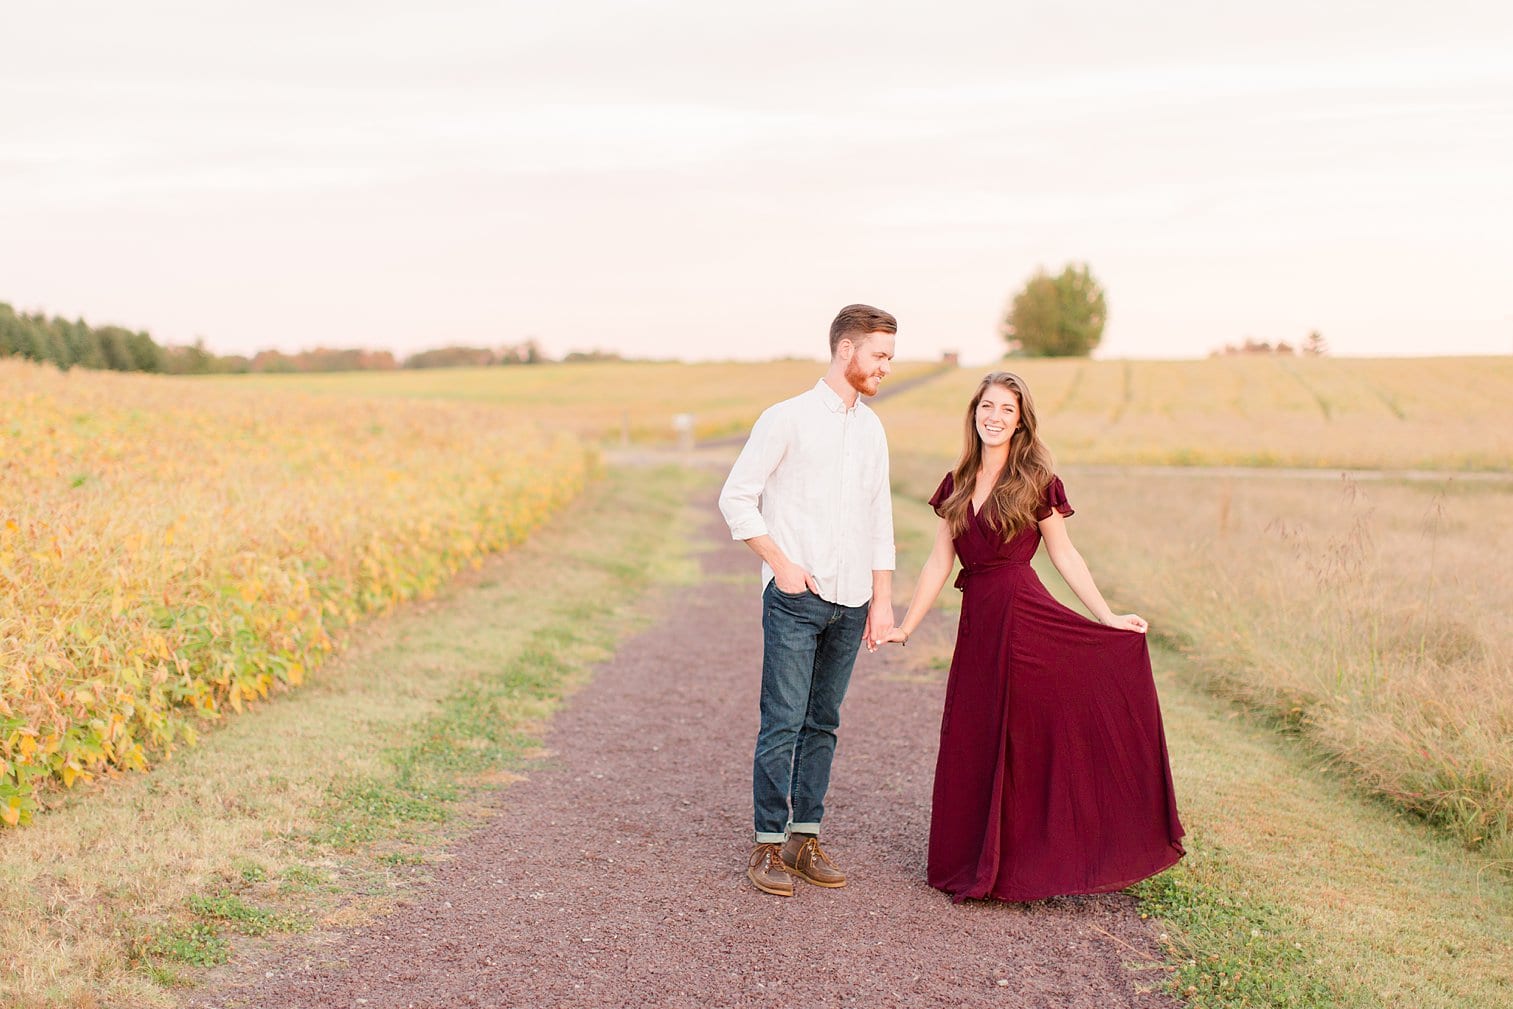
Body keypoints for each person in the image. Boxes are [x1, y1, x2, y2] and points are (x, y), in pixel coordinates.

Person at [882, 371, 1185, 902]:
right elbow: (938, 561)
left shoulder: (1035, 479)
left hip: (1025, 618)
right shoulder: (954, 483)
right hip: (979, 625)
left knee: (1031, 736)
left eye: (1006, 410)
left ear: (1020, 421)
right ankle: (975, 860)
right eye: (987, 407)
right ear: (973, 413)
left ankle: (1035, 861)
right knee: (975, 734)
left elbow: (1064, 553)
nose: (993, 417)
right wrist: (907, 625)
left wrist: (1107, 617)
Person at [718, 304, 898, 897]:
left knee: (824, 723)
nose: (885, 368)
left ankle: (804, 837)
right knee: (783, 723)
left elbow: (880, 518)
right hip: (796, 600)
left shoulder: (872, 429)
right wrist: (782, 566)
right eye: (879, 356)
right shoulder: (785, 419)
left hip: (851, 603)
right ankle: (767, 846)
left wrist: (882, 602)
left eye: (888, 358)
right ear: (847, 351)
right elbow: (736, 499)